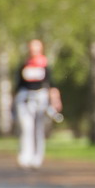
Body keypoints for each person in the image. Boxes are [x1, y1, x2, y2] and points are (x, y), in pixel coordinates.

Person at [15, 40, 62, 170]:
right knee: (26, 128)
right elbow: (18, 85)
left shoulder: (44, 65)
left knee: (38, 129)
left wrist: (55, 100)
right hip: (25, 98)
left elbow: (52, 84)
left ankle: (37, 158)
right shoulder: (24, 65)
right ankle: (25, 156)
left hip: (40, 98)